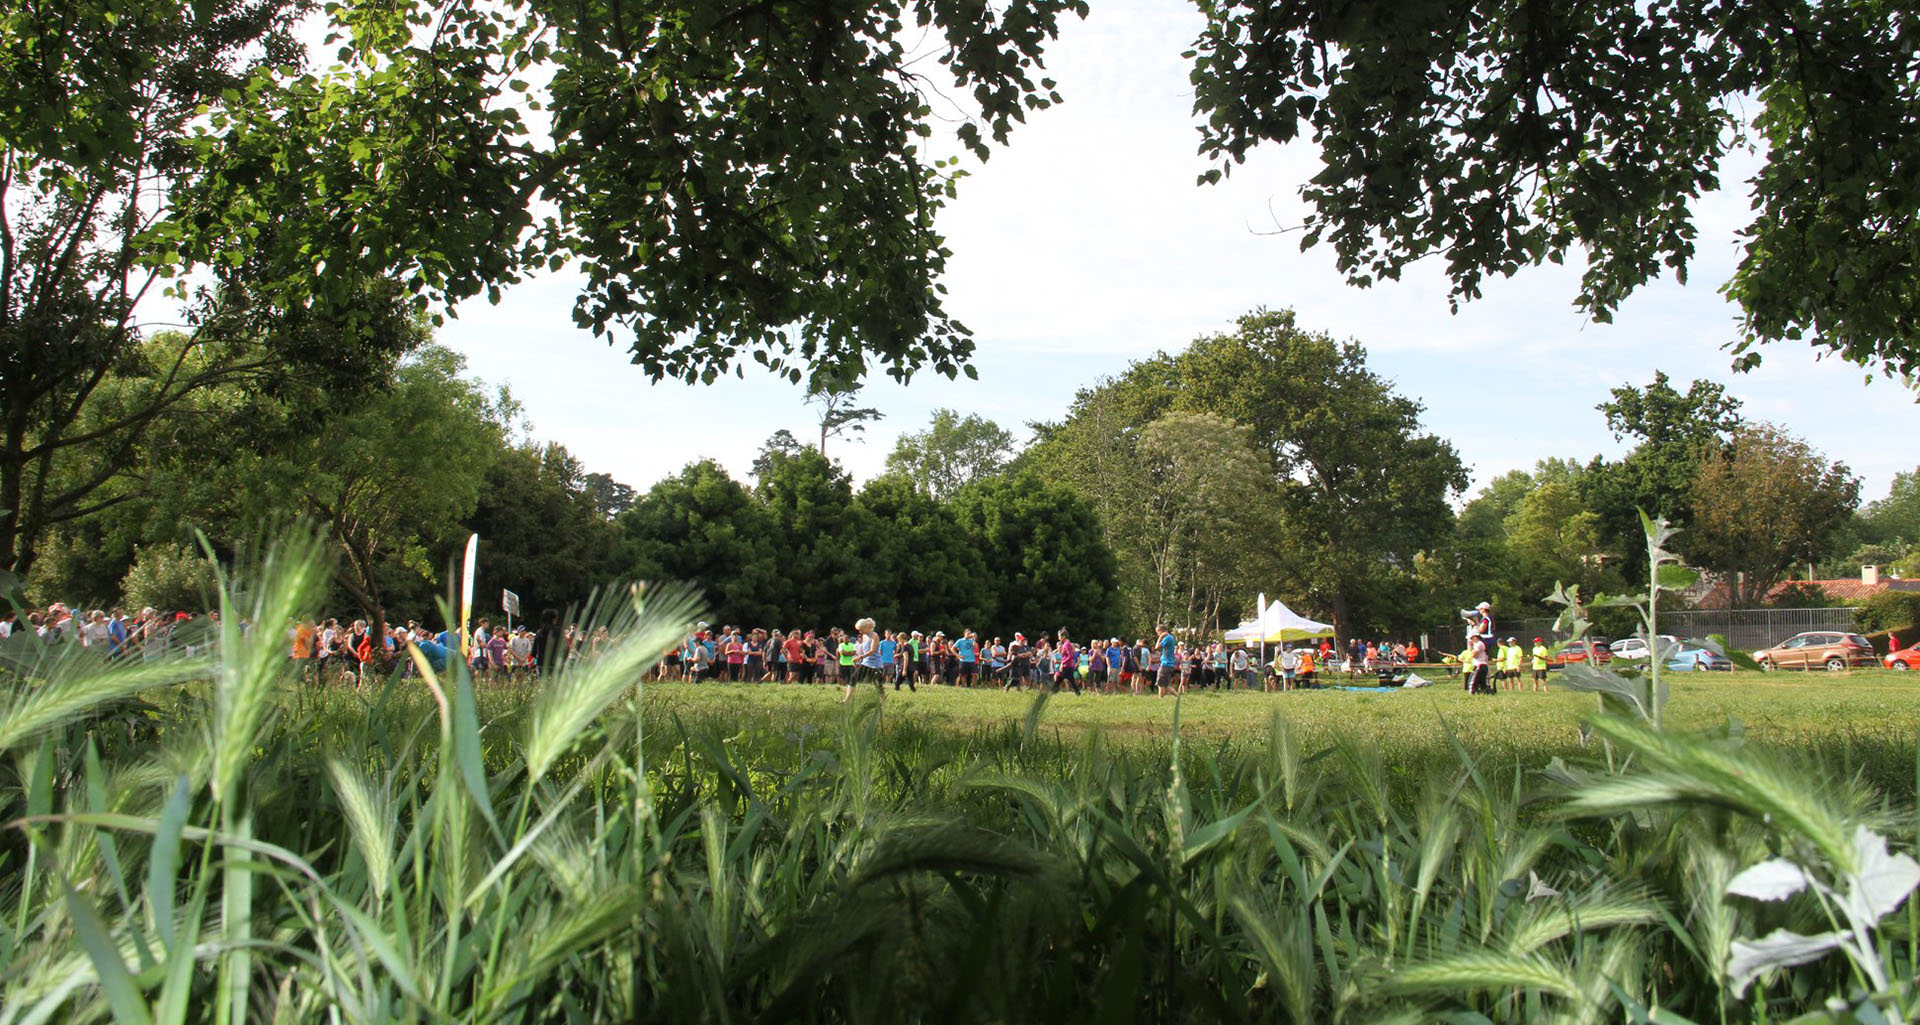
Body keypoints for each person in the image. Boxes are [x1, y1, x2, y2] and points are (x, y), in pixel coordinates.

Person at [1154, 624, 1177, 697]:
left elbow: (1156, 647)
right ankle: (1178, 697)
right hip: (1169, 664)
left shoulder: (1167, 638)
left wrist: (1160, 637)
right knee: (1166, 685)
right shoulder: (1170, 637)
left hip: (1165, 664)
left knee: (1160, 684)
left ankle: (1160, 701)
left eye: (1158, 632)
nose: (1158, 634)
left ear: (1161, 631)